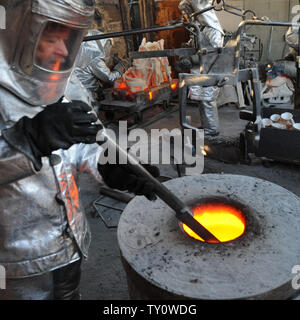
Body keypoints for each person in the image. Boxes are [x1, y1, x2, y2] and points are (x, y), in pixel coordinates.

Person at [0, 0, 159, 300]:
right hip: (16, 267)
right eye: (51, 38)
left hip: (69, 247)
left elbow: (82, 145)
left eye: (69, 39)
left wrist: (109, 165)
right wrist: (27, 141)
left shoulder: (61, 86)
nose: (63, 51)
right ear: (19, 35)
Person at [178, 0, 224, 136]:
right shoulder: (200, 27)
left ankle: (212, 129)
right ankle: (207, 126)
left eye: (188, 13)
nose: (187, 16)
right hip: (201, 69)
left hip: (210, 69)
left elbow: (215, 52)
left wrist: (192, 59)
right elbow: (196, 43)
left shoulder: (213, 29)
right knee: (202, 100)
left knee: (207, 100)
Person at [74, 28, 130, 105]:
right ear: (100, 44)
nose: (107, 48)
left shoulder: (81, 50)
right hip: (87, 93)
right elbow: (110, 78)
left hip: (76, 89)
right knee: (91, 112)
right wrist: (121, 66)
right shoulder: (94, 58)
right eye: (106, 46)